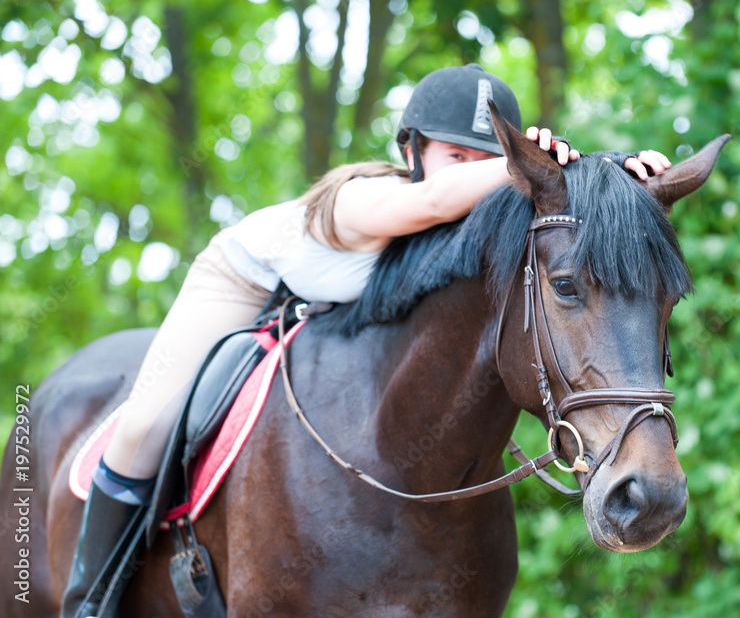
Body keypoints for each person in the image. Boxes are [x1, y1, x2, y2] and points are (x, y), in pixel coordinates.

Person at [61, 63, 672, 618]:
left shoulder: (469, 241)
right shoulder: (371, 199)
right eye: (457, 155)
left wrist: (613, 179)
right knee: (144, 423)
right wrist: (568, 162)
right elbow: (437, 197)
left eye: (488, 159)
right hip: (239, 278)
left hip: (328, 301)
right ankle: (90, 600)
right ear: (412, 151)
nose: (476, 175)